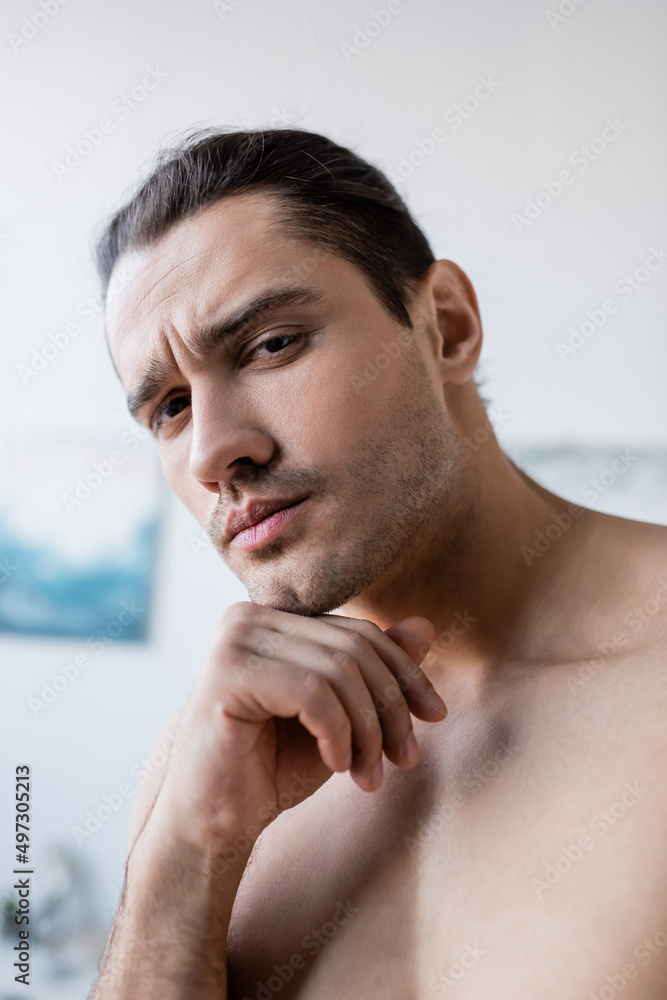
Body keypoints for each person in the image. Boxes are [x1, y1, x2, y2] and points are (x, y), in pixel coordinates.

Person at [92, 127, 667, 999]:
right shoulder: (204, 761)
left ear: (445, 326)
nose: (214, 451)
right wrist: (184, 857)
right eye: (170, 408)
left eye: (270, 345)